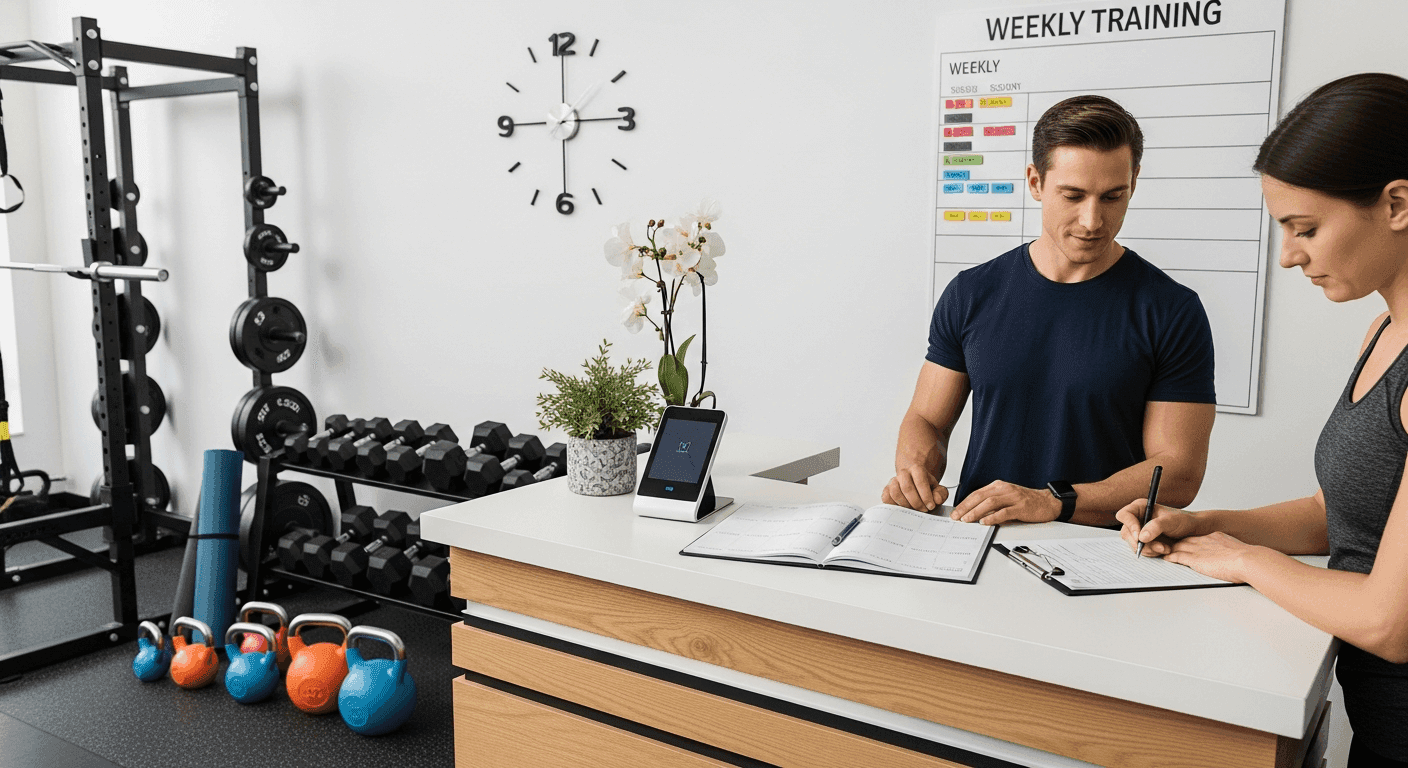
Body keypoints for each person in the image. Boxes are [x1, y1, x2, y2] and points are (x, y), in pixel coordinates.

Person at [1117, 73, 1408, 767]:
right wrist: (1209, 526)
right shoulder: (1381, 332)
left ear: (1397, 203)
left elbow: (1388, 622)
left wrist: (1245, 560)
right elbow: (1340, 513)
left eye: (1305, 229)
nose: (1289, 255)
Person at [883, 95, 1217, 527]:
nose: (1092, 220)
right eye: (1073, 196)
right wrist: (916, 472)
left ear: (1133, 182)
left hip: (1098, 549)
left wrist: (1054, 500)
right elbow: (927, 418)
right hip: (976, 535)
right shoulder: (971, 292)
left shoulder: (1172, 310)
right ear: (1036, 182)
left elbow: (1178, 471)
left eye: (1113, 196)